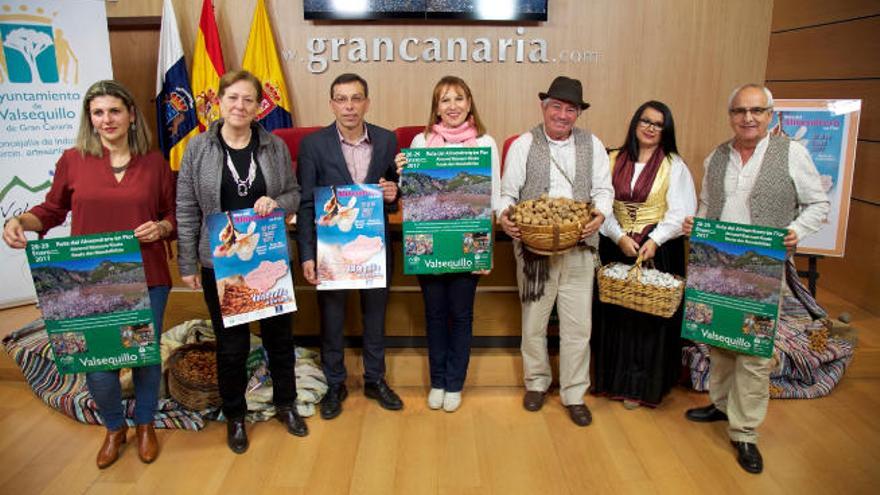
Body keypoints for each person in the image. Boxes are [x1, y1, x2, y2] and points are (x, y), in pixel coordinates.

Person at [2, 80, 175, 468]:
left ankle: (145, 423)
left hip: (147, 274)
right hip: (89, 283)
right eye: (98, 112)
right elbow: (51, 210)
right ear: (90, 118)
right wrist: (20, 220)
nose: (106, 119)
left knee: (143, 356)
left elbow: (171, 215)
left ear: (131, 115)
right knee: (97, 362)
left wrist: (162, 229)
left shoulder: (153, 161)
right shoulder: (73, 159)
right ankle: (115, 428)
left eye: (114, 111)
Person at [682, 84, 830, 474]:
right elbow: (708, 207)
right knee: (718, 339)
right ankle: (720, 403)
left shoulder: (791, 154)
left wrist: (797, 229)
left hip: (763, 268)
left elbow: (818, 203)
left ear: (771, 114)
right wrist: (695, 226)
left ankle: (745, 431)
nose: (748, 118)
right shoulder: (717, 157)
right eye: (740, 111)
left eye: (757, 111)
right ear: (730, 115)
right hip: (717, 264)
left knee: (753, 347)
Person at [176, 70, 306, 454]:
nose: (240, 106)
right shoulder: (197, 149)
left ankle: (287, 404)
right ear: (219, 101)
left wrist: (278, 203)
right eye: (233, 97)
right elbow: (185, 208)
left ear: (258, 105)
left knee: (279, 340)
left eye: (248, 99)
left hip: (268, 260)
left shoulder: (274, 146)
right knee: (231, 347)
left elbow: (295, 193)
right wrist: (186, 262)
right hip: (220, 265)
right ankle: (235, 415)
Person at [498, 76, 613, 426]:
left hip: (579, 248)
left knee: (578, 325)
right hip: (534, 250)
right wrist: (505, 217)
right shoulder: (523, 144)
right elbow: (507, 194)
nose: (563, 115)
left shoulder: (592, 144)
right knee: (534, 321)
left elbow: (604, 190)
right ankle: (536, 382)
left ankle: (575, 392)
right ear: (544, 107)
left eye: (570, 109)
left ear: (578, 113)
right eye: (557, 107)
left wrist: (600, 214)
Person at [297, 73, 403, 419]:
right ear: (332, 104)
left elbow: (393, 196)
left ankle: (375, 380)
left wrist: (393, 193)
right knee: (332, 319)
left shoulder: (387, 140)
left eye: (356, 98)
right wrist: (307, 255)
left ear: (367, 103)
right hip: (331, 251)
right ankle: (335, 383)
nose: (349, 106)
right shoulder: (313, 146)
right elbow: (307, 204)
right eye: (341, 99)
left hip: (374, 247)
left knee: (375, 318)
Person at [393, 76, 501, 412]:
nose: (452, 106)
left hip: (469, 241)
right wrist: (401, 171)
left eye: (458, 99)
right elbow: (410, 196)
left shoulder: (485, 143)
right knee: (435, 314)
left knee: (462, 314)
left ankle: (455, 383)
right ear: (436, 107)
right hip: (430, 244)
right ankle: (437, 380)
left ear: (469, 103)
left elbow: (493, 200)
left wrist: (486, 251)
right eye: (445, 100)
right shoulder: (421, 142)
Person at [591, 101, 696, 409]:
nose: (650, 127)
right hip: (616, 246)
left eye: (658, 124)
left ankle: (642, 385)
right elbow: (600, 205)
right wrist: (619, 236)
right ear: (635, 123)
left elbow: (682, 212)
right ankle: (614, 381)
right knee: (617, 316)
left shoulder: (674, 164)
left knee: (648, 318)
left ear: (666, 131)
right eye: (645, 121)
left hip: (657, 251)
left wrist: (656, 239)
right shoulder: (610, 159)